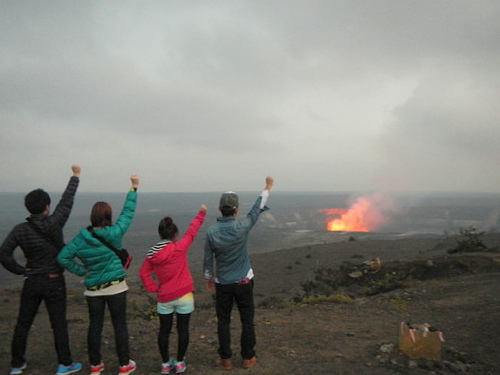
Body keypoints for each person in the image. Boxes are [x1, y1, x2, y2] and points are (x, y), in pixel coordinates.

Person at [0, 165, 83, 375]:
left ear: (29, 208)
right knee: (59, 324)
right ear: (47, 207)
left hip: (32, 281)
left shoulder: (20, 230)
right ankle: (64, 364)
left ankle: (17, 365)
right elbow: (66, 201)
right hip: (54, 280)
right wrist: (75, 176)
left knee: (23, 323)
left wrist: (21, 270)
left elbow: (4, 254)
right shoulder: (55, 223)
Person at [57, 175, 139, 375]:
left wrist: (82, 271)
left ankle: (95, 365)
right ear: (108, 217)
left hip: (93, 290)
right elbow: (127, 213)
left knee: (95, 327)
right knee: (120, 325)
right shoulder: (115, 232)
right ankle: (124, 365)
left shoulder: (82, 238)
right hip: (117, 287)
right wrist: (134, 188)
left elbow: (63, 257)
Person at [203, 176, 274, 371]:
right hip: (243, 281)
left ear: (219, 209)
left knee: (223, 321)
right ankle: (248, 357)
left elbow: (208, 258)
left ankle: (226, 359)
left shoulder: (211, 232)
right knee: (247, 319)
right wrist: (267, 186)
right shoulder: (243, 226)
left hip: (223, 283)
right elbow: (257, 208)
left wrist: (208, 278)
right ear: (236, 210)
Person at [140, 204, 207, 374]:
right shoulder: (179, 247)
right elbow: (192, 232)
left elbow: (143, 273)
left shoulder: (152, 254)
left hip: (165, 298)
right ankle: (179, 363)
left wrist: (153, 287)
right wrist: (201, 214)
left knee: (164, 331)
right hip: (184, 295)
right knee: (182, 330)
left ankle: (164, 364)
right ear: (175, 235)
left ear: (160, 234)